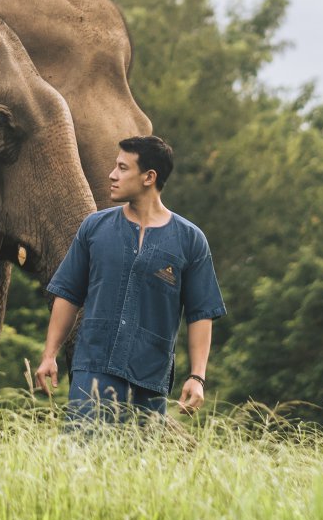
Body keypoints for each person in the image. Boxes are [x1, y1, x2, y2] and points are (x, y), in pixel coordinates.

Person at [35, 135, 225, 424]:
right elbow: (68, 293)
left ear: (149, 177)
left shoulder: (190, 241)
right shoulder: (94, 228)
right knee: (81, 460)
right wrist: (50, 354)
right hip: (92, 370)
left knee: (137, 466)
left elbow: (201, 314)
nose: (112, 175)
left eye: (123, 168)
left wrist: (197, 376)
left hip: (149, 377)